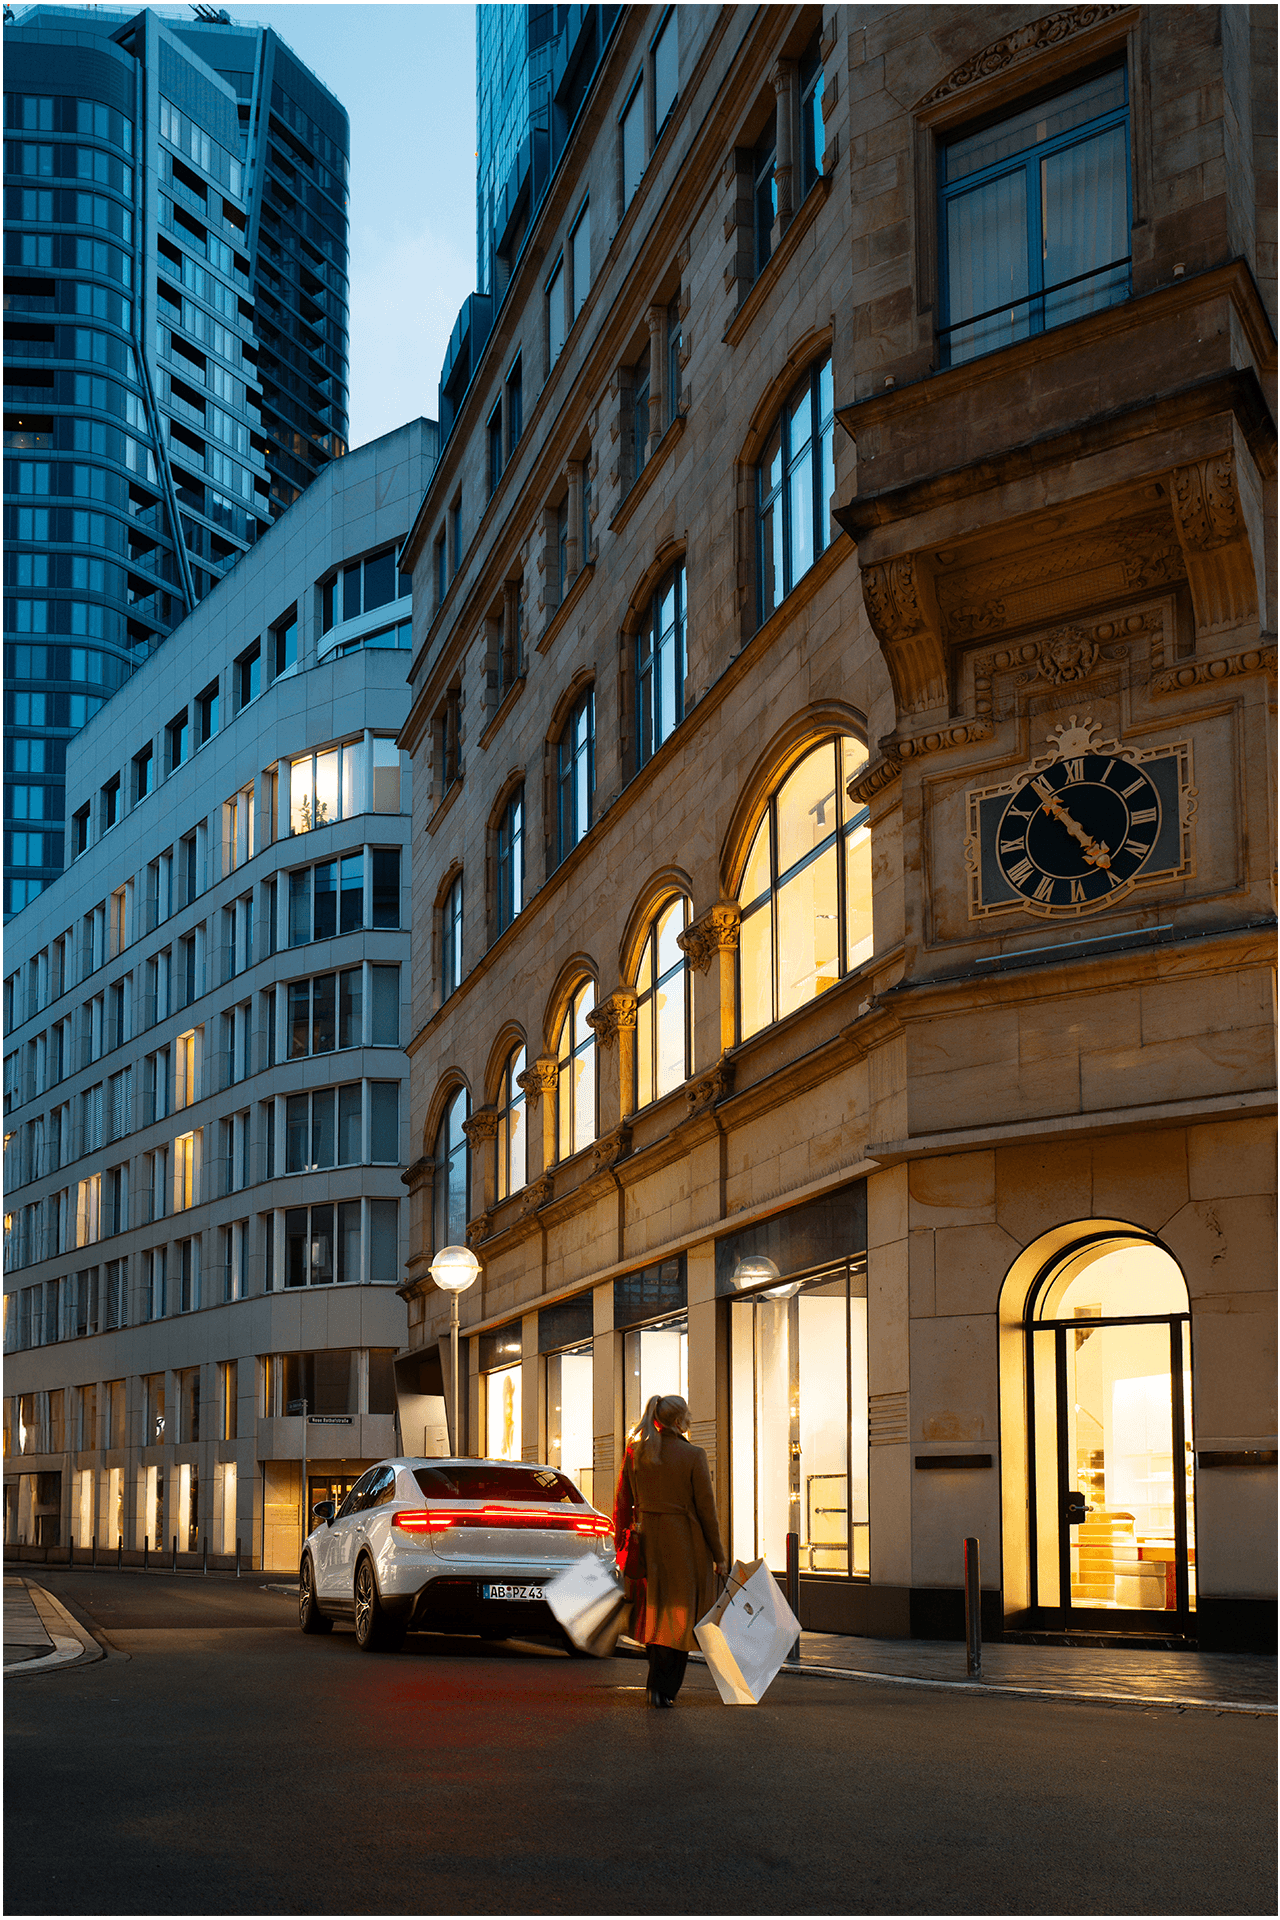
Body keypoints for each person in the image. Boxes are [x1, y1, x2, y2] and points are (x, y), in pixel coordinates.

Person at [613, 1392, 726, 1707]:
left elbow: (622, 1502)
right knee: (680, 1617)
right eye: (687, 1415)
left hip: (646, 1543)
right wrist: (719, 1556)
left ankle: (655, 1685)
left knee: (655, 1613)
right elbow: (707, 1511)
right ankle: (664, 1688)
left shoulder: (635, 1454)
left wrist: (622, 1544)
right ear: (679, 1421)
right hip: (685, 1544)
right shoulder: (693, 1455)